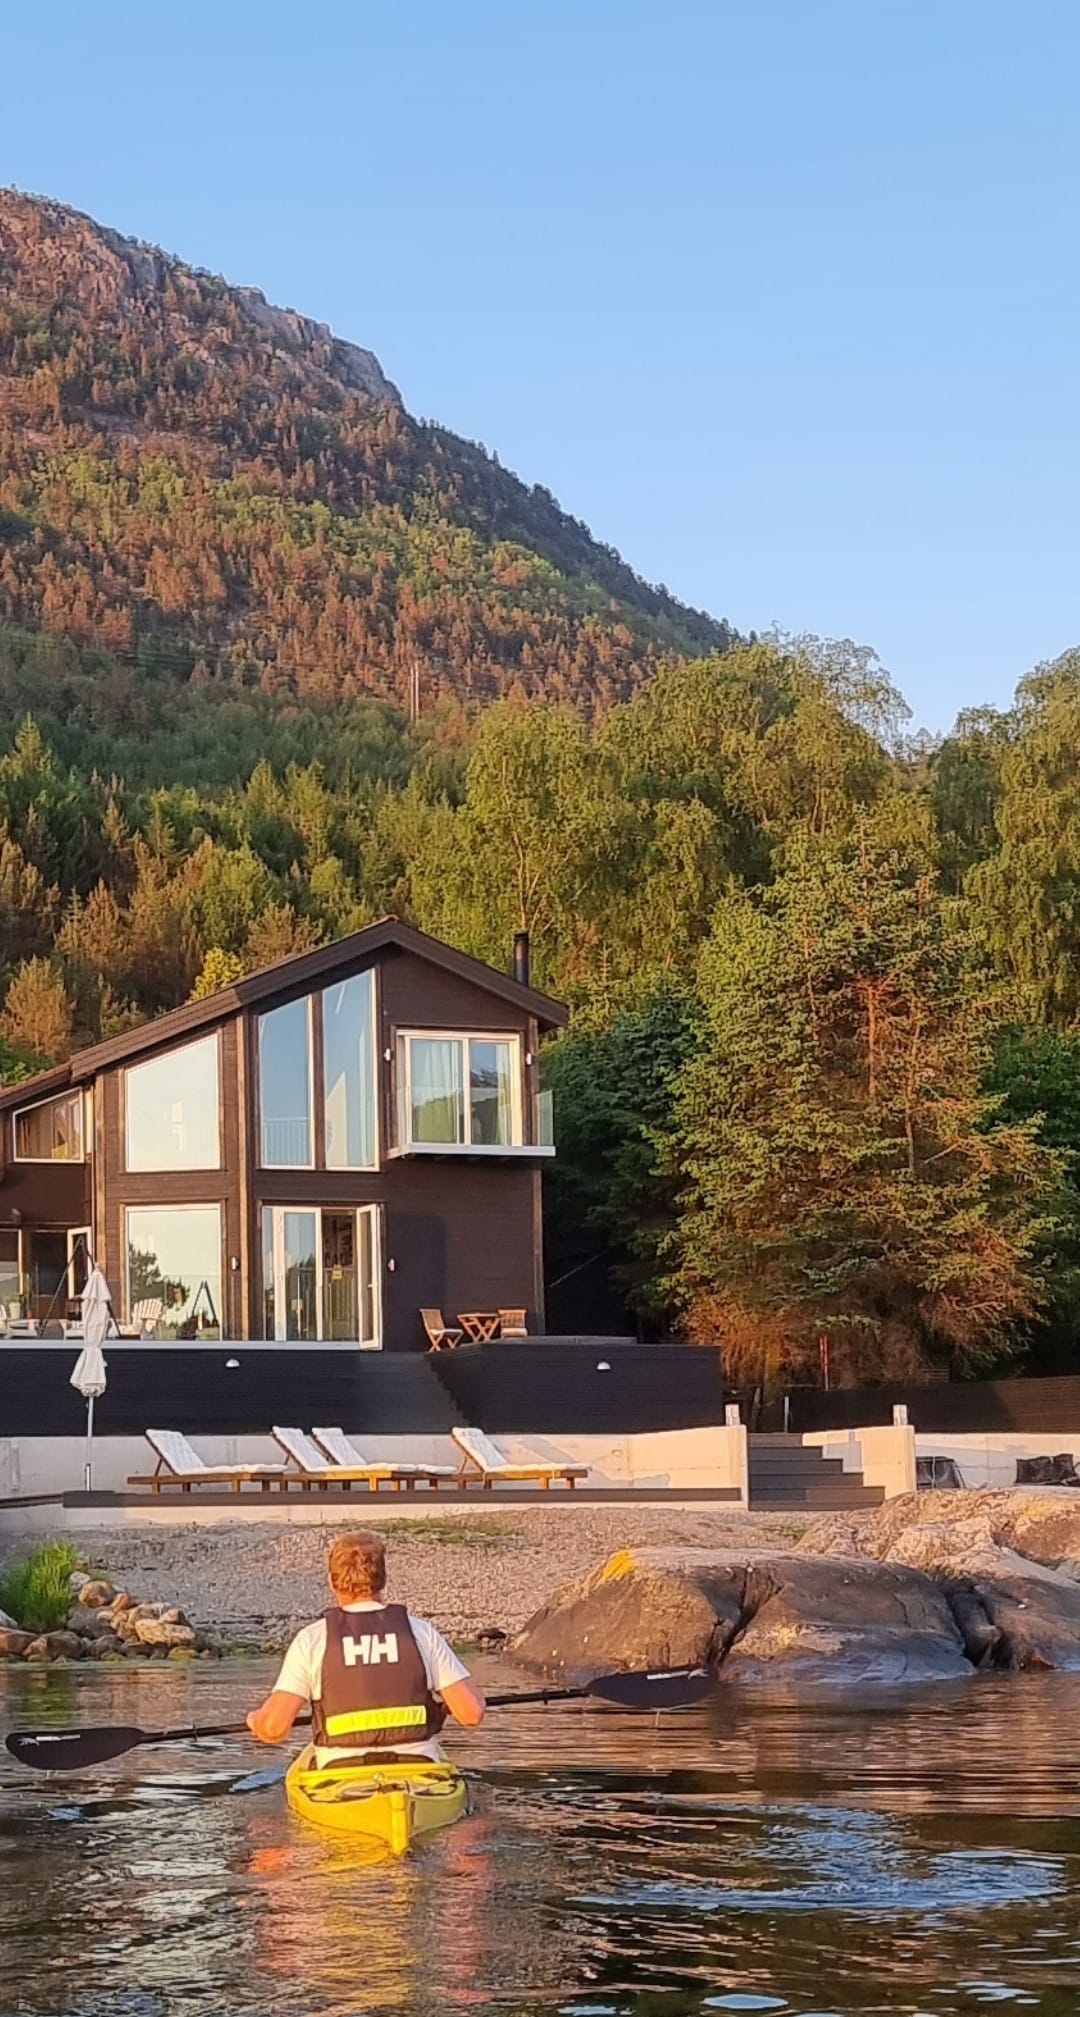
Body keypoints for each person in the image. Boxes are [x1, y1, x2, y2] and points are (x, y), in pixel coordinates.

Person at [246, 1529, 485, 1764]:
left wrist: (255, 1720)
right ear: (383, 1579)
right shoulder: (420, 1632)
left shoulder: (312, 1639)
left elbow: (273, 1729)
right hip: (417, 1769)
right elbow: (471, 1714)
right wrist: (457, 1703)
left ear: (331, 1581)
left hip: (340, 1774)